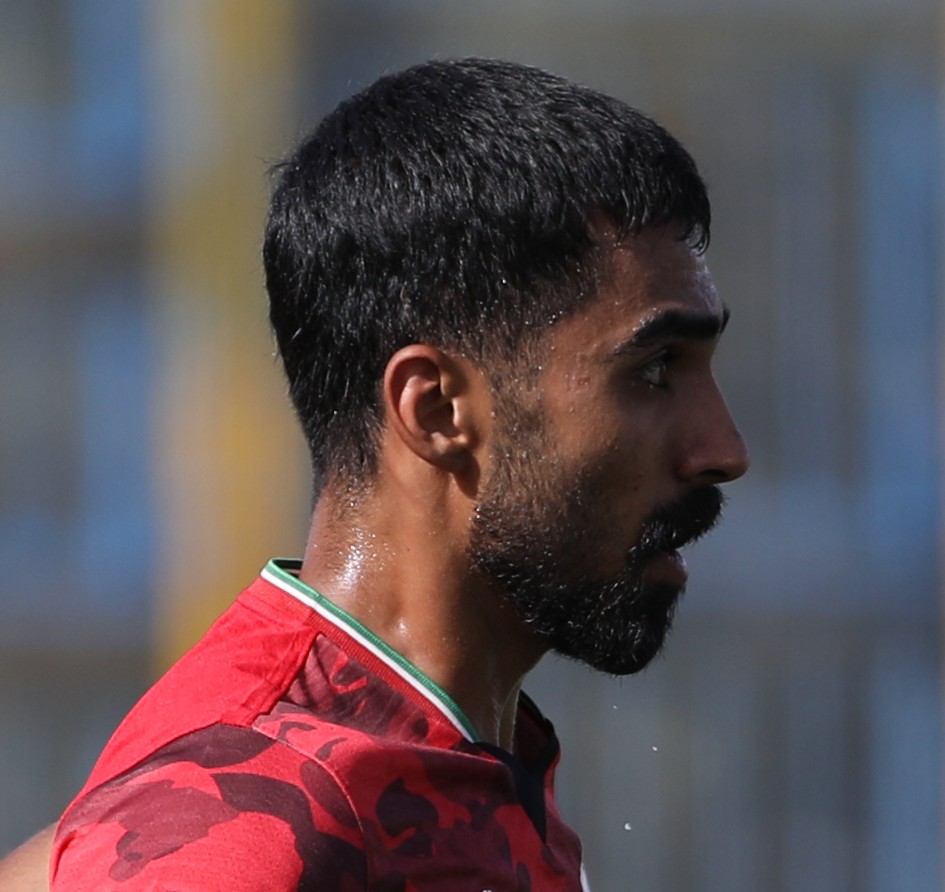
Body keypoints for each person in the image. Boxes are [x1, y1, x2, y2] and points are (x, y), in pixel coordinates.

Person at [33, 57, 747, 890]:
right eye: (654, 370)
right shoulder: (242, 830)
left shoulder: (456, 763)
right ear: (436, 409)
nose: (723, 449)